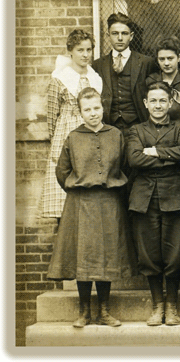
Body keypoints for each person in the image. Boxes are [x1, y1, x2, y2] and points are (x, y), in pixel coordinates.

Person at [47, 87, 136, 328]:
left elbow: (126, 167)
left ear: (103, 107)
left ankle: (104, 311)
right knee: (84, 259)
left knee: (106, 257)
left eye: (96, 108)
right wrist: (77, 190)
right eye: (87, 109)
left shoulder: (116, 134)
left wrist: (114, 188)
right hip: (81, 203)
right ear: (80, 111)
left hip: (109, 202)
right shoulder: (73, 137)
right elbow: (62, 171)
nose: (93, 113)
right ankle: (84, 312)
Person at [127, 82, 180, 326]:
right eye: (153, 101)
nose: (158, 105)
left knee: (174, 253)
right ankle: (157, 305)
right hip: (144, 198)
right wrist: (169, 157)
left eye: (162, 101)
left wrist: (153, 152)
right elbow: (134, 158)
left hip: (175, 195)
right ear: (146, 104)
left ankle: (173, 305)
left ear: (170, 102)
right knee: (149, 254)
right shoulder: (136, 130)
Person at [39, 29, 103, 219]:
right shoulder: (60, 79)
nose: (85, 54)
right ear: (71, 51)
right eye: (80, 50)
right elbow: (51, 117)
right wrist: (56, 144)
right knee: (65, 194)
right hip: (65, 135)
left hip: (91, 135)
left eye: (89, 50)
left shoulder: (96, 78)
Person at [92, 12, 158, 137]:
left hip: (138, 127)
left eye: (125, 33)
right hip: (108, 128)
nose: (120, 38)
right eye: (115, 33)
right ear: (108, 36)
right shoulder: (98, 65)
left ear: (131, 36)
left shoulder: (146, 62)